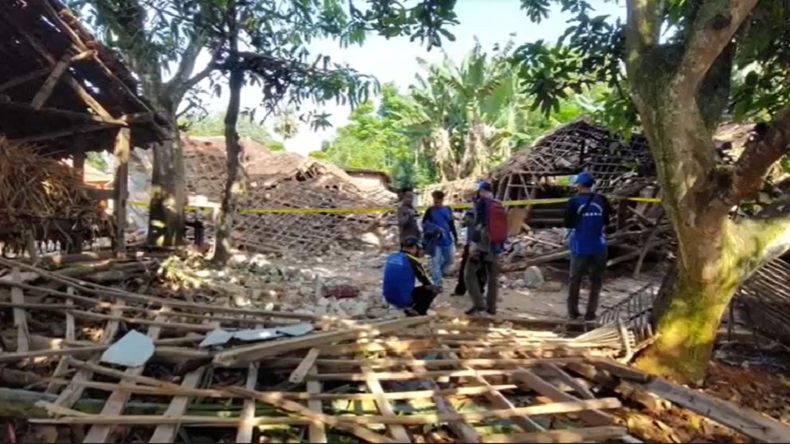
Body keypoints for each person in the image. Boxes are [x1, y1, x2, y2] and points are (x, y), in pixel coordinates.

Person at [563, 171, 614, 322]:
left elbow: (568, 224)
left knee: (575, 280)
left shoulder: (573, 202)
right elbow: (607, 222)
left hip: (580, 246)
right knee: (596, 281)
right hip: (599, 246)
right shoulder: (602, 199)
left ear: (579, 185)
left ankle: (572, 312)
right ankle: (590, 314)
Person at [465, 181, 507, 315]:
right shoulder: (498, 204)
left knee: (469, 274)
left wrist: (473, 244)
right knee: (492, 278)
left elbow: (479, 226)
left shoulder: (482, 203)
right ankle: (492, 307)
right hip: (496, 246)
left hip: (482, 246)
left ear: (481, 191)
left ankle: (478, 304)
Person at [382, 236, 440, 316]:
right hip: (403, 299)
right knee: (433, 289)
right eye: (419, 249)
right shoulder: (413, 260)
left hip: (388, 297)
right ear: (414, 247)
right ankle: (419, 312)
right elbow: (426, 280)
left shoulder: (392, 257)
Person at [453, 191, 487, 297]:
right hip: (481, 245)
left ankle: (462, 290)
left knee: (467, 269)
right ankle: (477, 290)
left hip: (474, 244)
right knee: (479, 269)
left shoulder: (472, 212)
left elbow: (465, 222)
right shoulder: (485, 212)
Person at [422, 190, 458, 287]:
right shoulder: (430, 211)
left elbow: (452, 224)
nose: (435, 203)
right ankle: (437, 283)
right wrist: (435, 229)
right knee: (435, 263)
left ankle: (439, 273)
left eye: (437, 201)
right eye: (434, 201)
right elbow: (424, 224)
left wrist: (455, 236)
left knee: (449, 260)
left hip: (447, 240)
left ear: (442, 200)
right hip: (435, 241)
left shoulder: (448, 209)